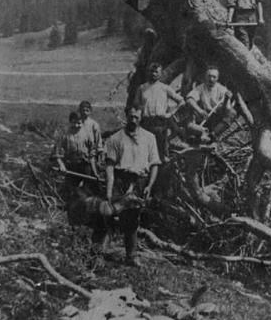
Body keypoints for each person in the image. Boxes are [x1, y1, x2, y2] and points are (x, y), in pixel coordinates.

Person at [104, 106, 161, 266]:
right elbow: (109, 166)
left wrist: (150, 185)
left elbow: (154, 164)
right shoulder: (115, 139)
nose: (134, 120)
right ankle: (99, 251)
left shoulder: (149, 138)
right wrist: (109, 191)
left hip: (139, 181)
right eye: (131, 117)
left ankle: (131, 255)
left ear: (141, 117)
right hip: (121, 180)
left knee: (133, 218)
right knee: (111, 214)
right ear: (126, 117)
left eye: (137, 117)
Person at [133, 62, 184, 160]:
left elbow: (181, 101)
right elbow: (136, 104)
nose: (153, 74)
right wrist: (138, 112)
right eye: (151, 71)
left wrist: (171, 113)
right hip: (146, 122)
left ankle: (161, 172)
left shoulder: (165, 88)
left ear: (160, 74)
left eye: (156, 72)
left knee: (160, 151)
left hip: (160, 123)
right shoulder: (142, 88)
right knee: (144, 150)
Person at [51, 111, 99, 199]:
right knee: (70, 192)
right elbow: (57, 153)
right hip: (71, 166)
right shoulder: (64, 135)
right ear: (70, 122)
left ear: (82, 122)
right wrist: (62, 166)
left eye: (79, 123)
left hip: (85, 165)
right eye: (74, 123)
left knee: (89, 191)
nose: (76, 126)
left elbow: (92, 152)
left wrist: (94, 171)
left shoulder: (87, 134)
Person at [186, 66, 235, 142]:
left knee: (232, 113)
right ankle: (199, 134)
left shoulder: (222, 89)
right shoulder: (201, 87)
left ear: (217, 78)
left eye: (214, 77)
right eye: (209, 76)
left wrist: (226, 100)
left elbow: (227, 109)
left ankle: (213, 135)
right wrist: (200, 111)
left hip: (217, 118)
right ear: (205, 77)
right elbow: (189, 99)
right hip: (204, 117)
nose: (211, 79)